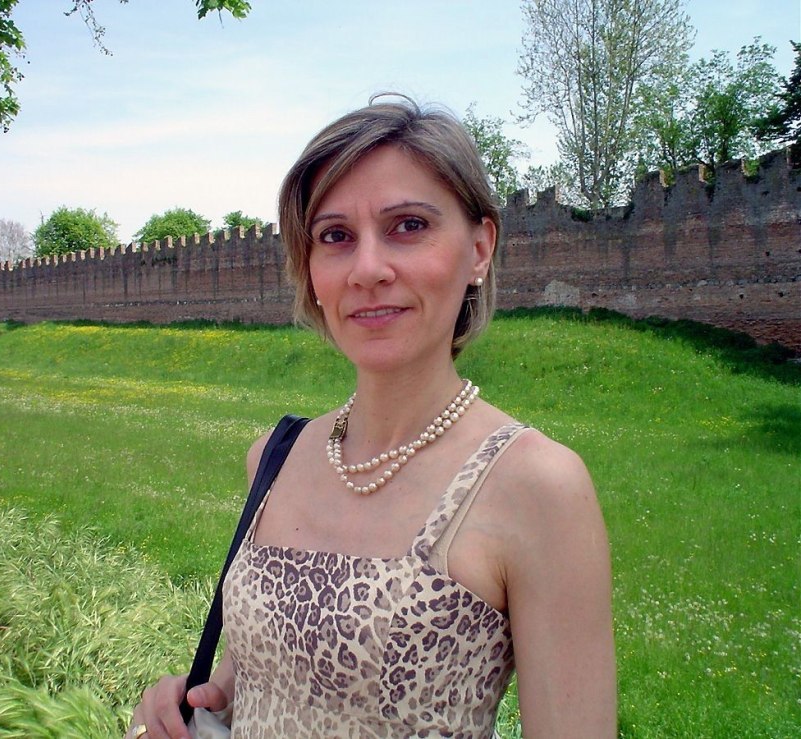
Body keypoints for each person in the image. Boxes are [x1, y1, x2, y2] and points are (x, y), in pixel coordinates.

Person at [127, 96, 616, 738]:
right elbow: (260, 680)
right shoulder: (275, 457)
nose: (367, 270)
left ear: (479, 249)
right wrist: (184, 704)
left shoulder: (535, 486)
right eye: (335, 237)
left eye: (408, 225)